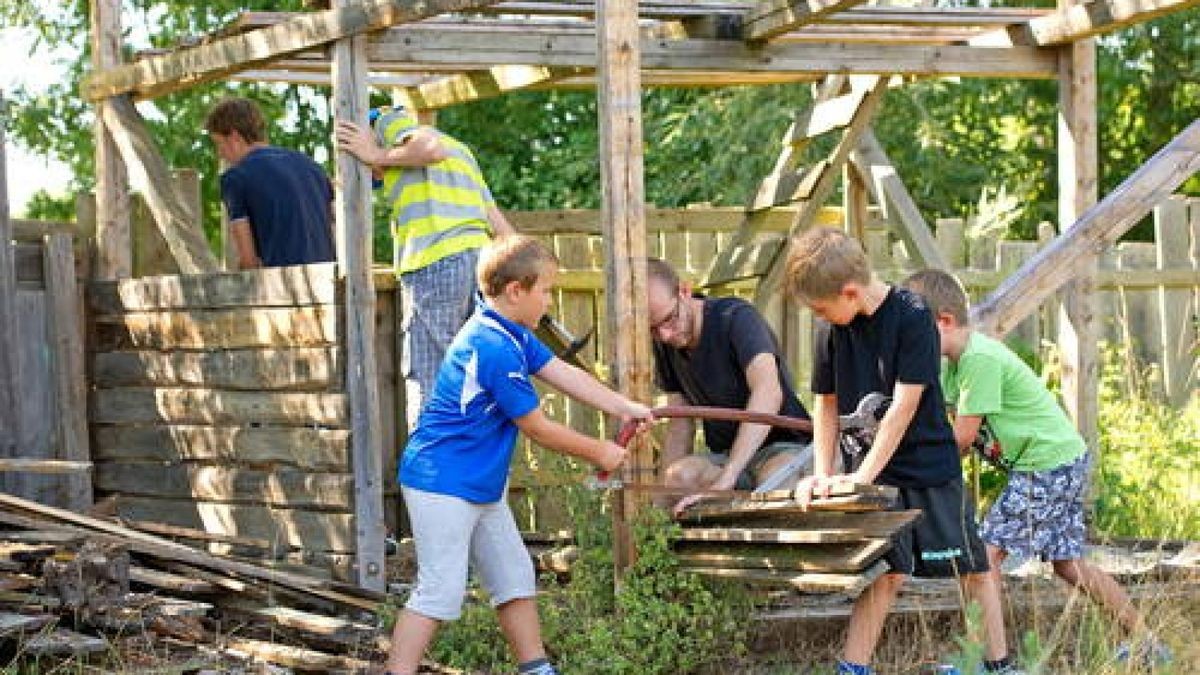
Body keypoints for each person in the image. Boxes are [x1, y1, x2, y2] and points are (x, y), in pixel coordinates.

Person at [385, 234, 652, 675]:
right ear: (515, 291)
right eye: (545, 290)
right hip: (442, 483)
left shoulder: (510, 332)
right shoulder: (490, 345)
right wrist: (600, 452)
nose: (549, 301)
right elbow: (537, 427)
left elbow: (562, 372)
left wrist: (623, 407)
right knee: (439, 591)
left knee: (513, 578)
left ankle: (536, 669)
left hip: (479, 484)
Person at [901, 268, 1172, 669]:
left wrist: (909, 456)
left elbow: (958, 438)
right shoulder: (951, 365)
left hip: (1046, 466)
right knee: (1069, 564)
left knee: (984, 556)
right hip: (1055, 462)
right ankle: (1149, 643)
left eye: (915, 333)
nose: (911, 344)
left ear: (943, 321)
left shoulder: (978, 359)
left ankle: (992, 662)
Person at [784, 227, 1019, 675]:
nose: (820, 316)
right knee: (886, 573)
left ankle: (995, 664)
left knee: (971, 568)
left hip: (927, 469)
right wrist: (822, 471)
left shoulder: (913, 317)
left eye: (821, 307)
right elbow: (826, 404)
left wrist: (860, 479)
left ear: (850, 292)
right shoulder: (830, 332)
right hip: (873, 475)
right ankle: (852, 668)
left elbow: (902, 409)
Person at [335, 107, 516, 431]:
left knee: (430, 374)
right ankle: (478, 472)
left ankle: (430, 474)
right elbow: (501, 226)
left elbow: (431, 149)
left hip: (436, 264)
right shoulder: (463, 154)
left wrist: (374, 151)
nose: (377, 173)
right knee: (477, 376)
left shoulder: (388, 122)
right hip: (481, 262)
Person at [645, 257, 812, 515]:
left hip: (784, 449)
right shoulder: (666, 344)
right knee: (678, 477)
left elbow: (769, 392)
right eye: (654, 329)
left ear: (684, 291)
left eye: (669, 319)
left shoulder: (735, 318)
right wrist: (658, 508)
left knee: (773, 484)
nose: (665, 335)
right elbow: (680, 424)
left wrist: (729, 475)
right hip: (726, 456)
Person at [204, 97, 335, 269]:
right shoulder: (312, 167)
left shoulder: (235, 178)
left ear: (234, 137)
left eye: (219, 143)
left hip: (284, 285)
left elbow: (248, 260)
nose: (220, 153)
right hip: (330, 281)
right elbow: (334, 229)